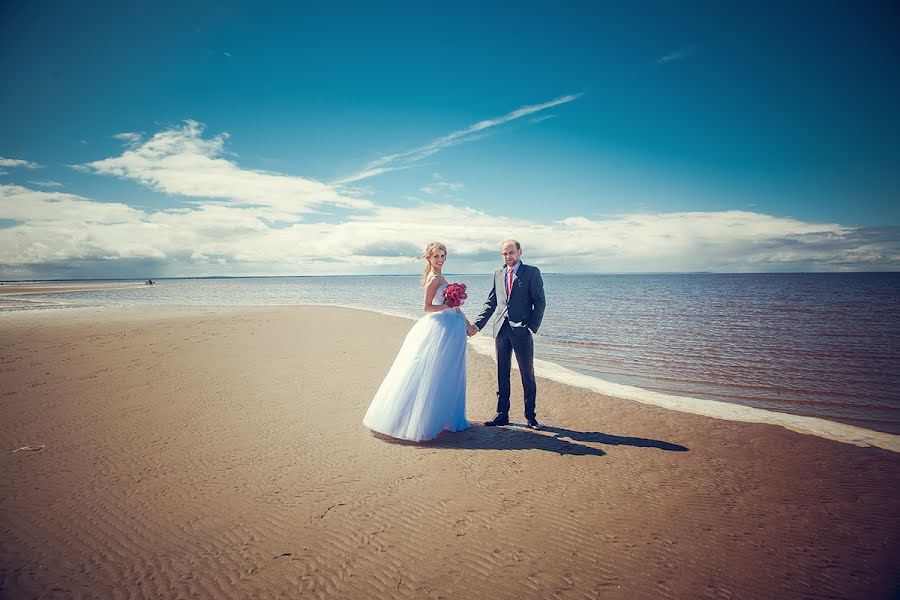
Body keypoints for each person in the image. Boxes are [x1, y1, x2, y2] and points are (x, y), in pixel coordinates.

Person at [363, 242, 473, 442]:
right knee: (431, 373)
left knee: (446, 374)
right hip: (440, 329)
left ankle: (446, 417)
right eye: (436, 256)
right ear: (429, 258)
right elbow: (427, 307)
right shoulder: (433, 279)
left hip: (452, 329)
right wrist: (449, 303)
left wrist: (467, 324)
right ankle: (418, 420)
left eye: (442, 256)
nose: (440, 260)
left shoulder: (441, 277)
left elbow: (454, 308)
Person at [469, 239, 546, 429]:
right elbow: (491, 303)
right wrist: (477, 326)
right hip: (501, 330)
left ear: (520, 252)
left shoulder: (532, 272)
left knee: (527, 374)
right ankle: (502, 415)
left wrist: (531, 327)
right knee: (502, 373)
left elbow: (540, 302)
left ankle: (531, 417)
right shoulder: (498, 274)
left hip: (522, 331)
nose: (508, 256)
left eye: (511, 252)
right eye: (504, 253)